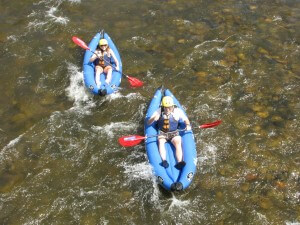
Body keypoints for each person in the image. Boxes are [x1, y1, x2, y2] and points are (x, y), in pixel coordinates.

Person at [147, 96, 191, 169]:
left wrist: (188, 125)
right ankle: (164, 160)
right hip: (162, 133)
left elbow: (186, 119)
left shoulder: (178, 111)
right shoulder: (159, 111)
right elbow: (149, 122)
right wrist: (153, 118)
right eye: (165, 107)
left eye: (169, 107)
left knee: (178, 142)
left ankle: (180, 162)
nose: (167, 109)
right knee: (160, 141)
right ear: (163, 106)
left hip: (174, 133)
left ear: (172, 106)